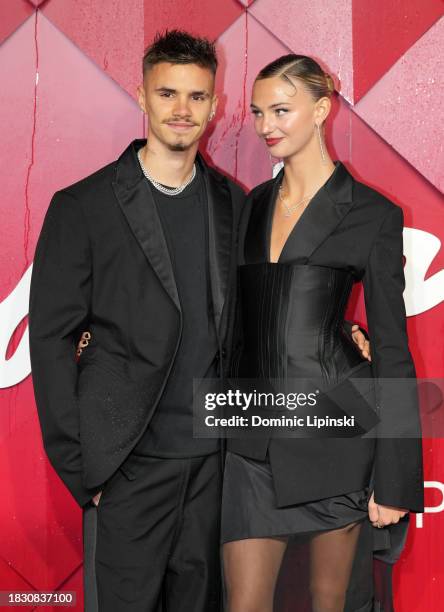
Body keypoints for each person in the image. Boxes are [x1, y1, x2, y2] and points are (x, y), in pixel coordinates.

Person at [28, 31, 370, 611]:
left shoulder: (235, 204)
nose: (182, 110)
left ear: (214, 107)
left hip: (216, 466)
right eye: (167, 93)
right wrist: (86, 470)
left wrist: (339, 338)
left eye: (196, 96)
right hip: (127, 469)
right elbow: (50, 341)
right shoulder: (83, 206)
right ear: (142, 97)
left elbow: (266, 311)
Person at [221, 55, 424, 612]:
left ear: (322, 110)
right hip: (251, 442)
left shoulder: (371, 213)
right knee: (243, 604)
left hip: (336, 437)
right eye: (259, 112)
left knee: (332, 604)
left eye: (281, 110)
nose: (266, 126)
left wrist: (396, 476)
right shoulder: (253, 205)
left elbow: (390, 349)